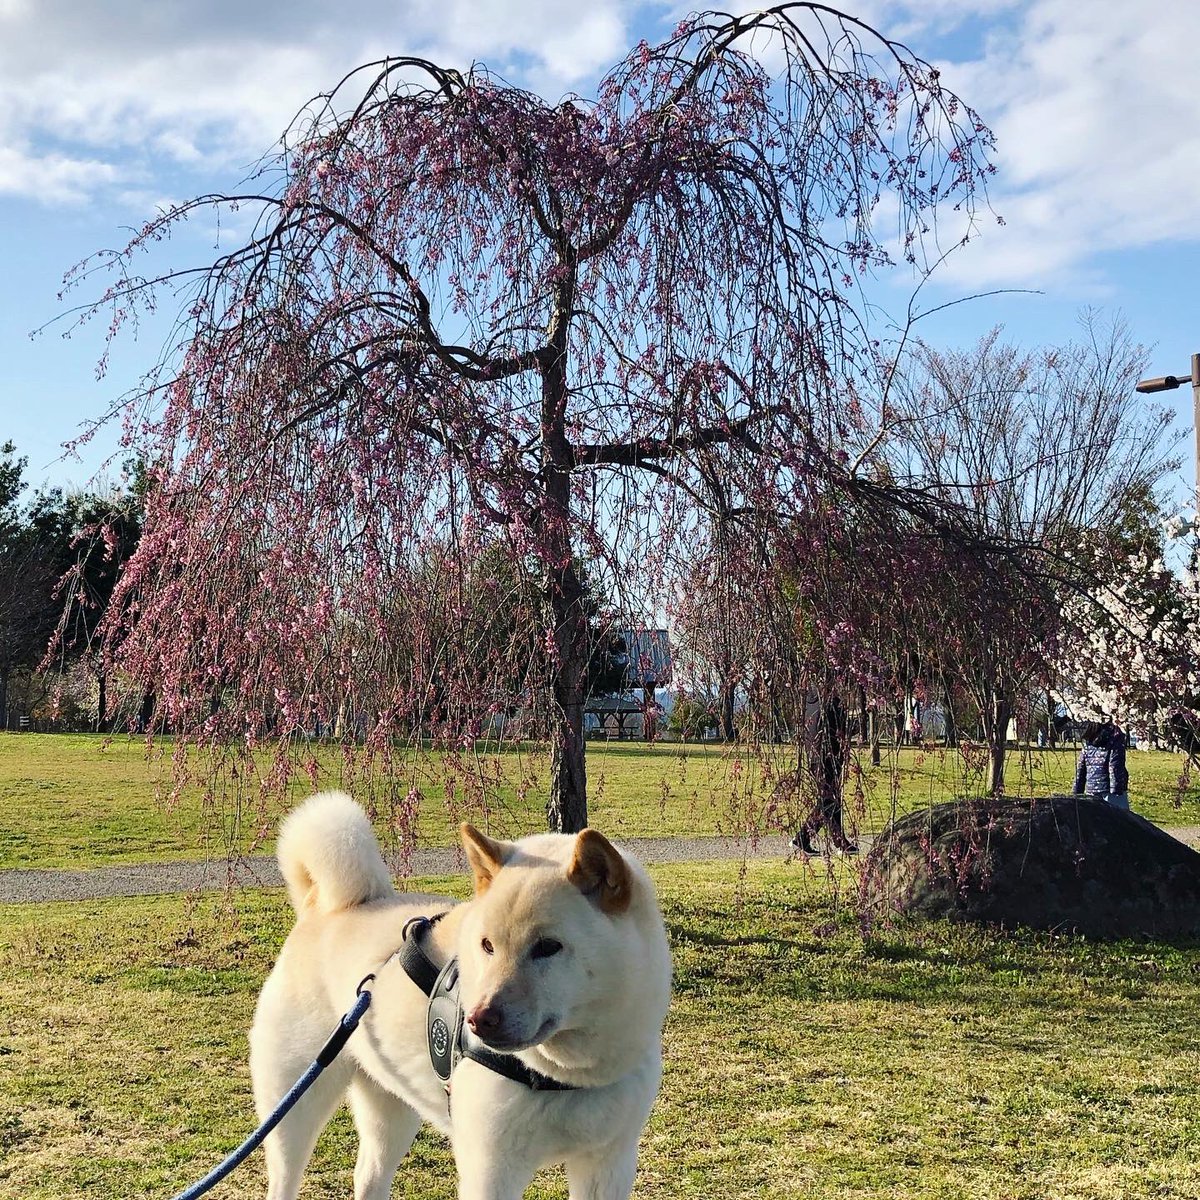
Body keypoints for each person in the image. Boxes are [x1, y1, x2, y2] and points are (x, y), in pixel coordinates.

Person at [788, 690, 859, 857]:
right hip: (828, 756)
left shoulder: (810, 702)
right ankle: (811, 838)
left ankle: (815, 839)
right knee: (829, 801)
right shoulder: (831, 704)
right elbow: (840, 731)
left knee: (829, 799)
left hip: (814, 756)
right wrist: (855, 725)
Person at [1073, 719, 1130, 810]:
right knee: (1121, 821)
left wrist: (1077, 790)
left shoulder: (1088, 739)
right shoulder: (1115, 736)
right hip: (1110, 791)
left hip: (1091, 789)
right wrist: (1117, 790)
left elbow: (1081, 767)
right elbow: (1115, 765)